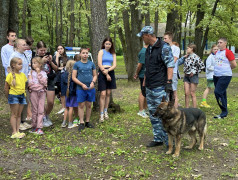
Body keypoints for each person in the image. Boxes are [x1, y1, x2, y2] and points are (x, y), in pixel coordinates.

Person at [137, 26, 175, 147]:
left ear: (148, 35)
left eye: (143, 36)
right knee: (153, 114)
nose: (142, 39)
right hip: (149, 86)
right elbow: (147, 68)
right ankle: (158, 138)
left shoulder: (164, 47)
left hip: (160, 86)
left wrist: (169, 82)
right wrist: (144, 85)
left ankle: (169, 141)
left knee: (165, 115)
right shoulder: (148, 49)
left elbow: (170, 65)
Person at [8, 39, 32, 131]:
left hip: (24, 81)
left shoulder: (24, 54)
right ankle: (18, 122)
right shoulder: (14, 55)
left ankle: (22, 120)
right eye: (23, 45)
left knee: (25, 101)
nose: (25, 46)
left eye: (26, 44)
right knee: (17, 102)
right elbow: (9, 69)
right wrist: (12, 81)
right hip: (16, 83)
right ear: (18, 46)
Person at [72, 48, 97, 132]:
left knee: (89, 105)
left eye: (86, 53)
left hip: (90, 88)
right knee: (81, 105)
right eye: (83, 53)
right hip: (80, 88)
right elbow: (73, 77)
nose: (85, 55)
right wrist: (82, 84)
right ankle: (81, 122)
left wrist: (93, 82)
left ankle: (87, 121)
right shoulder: (77, 64)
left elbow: (95, 75)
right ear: (80, 54)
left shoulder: (91, 64)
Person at [34, 41, 58, 127]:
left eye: (44, 50)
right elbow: (34, 69)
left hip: (50, 80)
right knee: (40, 102)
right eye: (41, 50)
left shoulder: (49, 56)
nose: (43, 52)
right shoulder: (34, 57)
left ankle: (46, 115)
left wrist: (51, 61)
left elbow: (56, 68)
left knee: (51, 102)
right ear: (37, 49)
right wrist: (42, 61)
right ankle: (42, 118)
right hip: (39, 82)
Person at [213, 38, 237, 119]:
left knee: (217, 92)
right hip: (216, 75)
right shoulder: (217, 52)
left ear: (225, 43)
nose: (218, 44)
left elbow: (234, 65)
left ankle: (223, 111)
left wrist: (226, 69)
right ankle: (225, 110)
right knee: (222, 93)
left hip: (225, 75)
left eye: (221, 42)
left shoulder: (228, 52)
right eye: (218, 42)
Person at [4, 57, 27, 139]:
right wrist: (8, 96)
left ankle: (18, 131)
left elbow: (25, 86)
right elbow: (6, 87)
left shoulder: (23, 75)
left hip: (22, 96)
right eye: (19, 64)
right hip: (13, 96)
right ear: (13, 65)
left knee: (19, 114)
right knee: (14, 114)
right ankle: (14, 132)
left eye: (21, 64)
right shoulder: (9, 75)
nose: (21, 66)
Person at [177, 44, 205, 108]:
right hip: (186, 76)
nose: (187, 49)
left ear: (192, 49)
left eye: (188, 48)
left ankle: (194, 109)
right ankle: (187, 108)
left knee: (192, 93)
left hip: (193, 77)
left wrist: (194, 72)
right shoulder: (186, 57)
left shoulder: (196, 57)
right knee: (186, 93)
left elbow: (202, 66)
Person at [97, 37, 117, 122]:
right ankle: (101, 113)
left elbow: (114, 65)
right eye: (106, 44)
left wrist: (108, 72)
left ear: (111, 44)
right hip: (102, 72)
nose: (108, 45)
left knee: (108, 93)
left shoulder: (113, 53)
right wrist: (105, 73)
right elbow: (99, 63)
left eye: (109, 44)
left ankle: (106, 111)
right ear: (104, 44)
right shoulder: (101, 51)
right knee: (103, 94)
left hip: (110, 71)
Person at [28, 57, 47, 135]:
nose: (33, 64)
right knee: (34, 110)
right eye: (32, 63)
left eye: (35, 63)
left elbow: (44, 83)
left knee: (41, 110)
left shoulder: (43, 73)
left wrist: (39, 73)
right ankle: (34, 126)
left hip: (42, 93)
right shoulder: (31, 73)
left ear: (40, 64)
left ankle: (39, 127)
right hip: (34, 93)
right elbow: (30, 84)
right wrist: (39, 86)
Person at [163, 32, 181, 108]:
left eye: (165, 38)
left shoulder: (176, 48)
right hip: (164, 73)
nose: (164, 40)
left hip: (173, 72)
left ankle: (175, 109)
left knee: (174, 92)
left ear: (170, 39)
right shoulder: (163, 48)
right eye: (163, 38)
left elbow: (174, 60)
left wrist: (166, 65)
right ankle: (167, 108)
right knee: (165, 92)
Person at [61, 60, 78, 128]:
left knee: (66, 108)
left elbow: (62, 85)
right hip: (73, 93)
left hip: (66, 94)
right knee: (71, 107)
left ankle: (64, 122)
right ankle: (70, 123)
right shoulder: (75, 75)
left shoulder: (63, 74)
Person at [134, 44, 149, 118]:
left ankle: (145, 109)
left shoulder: (148, 50)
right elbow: (139, 65)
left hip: (147, 75)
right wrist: (136, 73)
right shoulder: (143, 52)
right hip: (143, 75)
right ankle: (141, 110)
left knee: (145, 92)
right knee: (142, 92)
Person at [54, 45, 68, 115]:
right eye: (58, 49)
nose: (60, 50)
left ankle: (66, 107)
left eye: (61, 48)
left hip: (65, 76)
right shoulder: (55, 57)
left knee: (65, 92)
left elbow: (66, 67)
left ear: (64, 49)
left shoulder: (66, 58)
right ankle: (63, 107)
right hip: (58, 77)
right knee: (60, 93)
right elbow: (56, 67)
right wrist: (57, 57)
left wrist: (61, 68)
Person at [24, 36, 34, 121]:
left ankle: (30, 113)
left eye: (30, 44)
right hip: (25, 74)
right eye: (28, 44)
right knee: (26, 95)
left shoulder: (31, 52)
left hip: (31, 74)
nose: (29, 46)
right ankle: (28, 113)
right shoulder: (23, 52)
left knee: (31, 94)